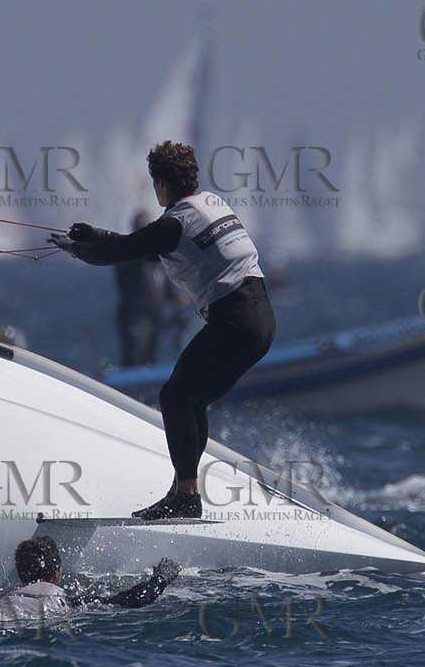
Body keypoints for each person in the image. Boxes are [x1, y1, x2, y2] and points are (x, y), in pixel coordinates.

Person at [51, 140, 276, 521]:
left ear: (160, 183)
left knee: (174, 397)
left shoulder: (177, 221)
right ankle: (182, 491)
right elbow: (141, 245)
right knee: (192, 400)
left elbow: (123, 251)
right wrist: (96, 235)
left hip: (236, 321)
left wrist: (77, 248)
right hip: (262, 319)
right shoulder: (211, 204)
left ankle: (186, 496)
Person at [0, 536, 182, 622]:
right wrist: (162, 577)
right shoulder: (65, 600)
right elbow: (138, 599)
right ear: (57, 572)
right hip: (34, 623)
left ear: (20, 572)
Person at [113, 210, 166, 366]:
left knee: (151, 355)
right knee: (135, 355)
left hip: (154, 314)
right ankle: (128, 387)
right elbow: (125, 268)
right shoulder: (126, 251)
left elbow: (161, 278)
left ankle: (152, 386)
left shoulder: (156, 254)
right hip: (135, 316)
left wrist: (174, 295)